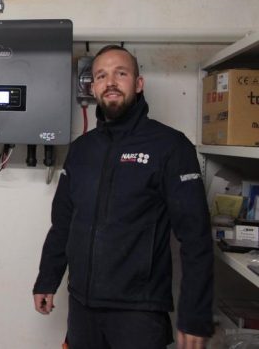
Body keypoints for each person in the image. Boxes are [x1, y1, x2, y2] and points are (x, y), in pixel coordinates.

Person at [32, 45, 213, 349]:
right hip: (82, 308)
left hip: (138, 312)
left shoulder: (170, 146)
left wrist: (195, 314)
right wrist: (47, 279)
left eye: (121, 73)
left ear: (138, 83)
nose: (111, 82)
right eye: (101, 76)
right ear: (93, 88)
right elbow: (63, 223)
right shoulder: (81, 150)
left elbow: (196, 236)